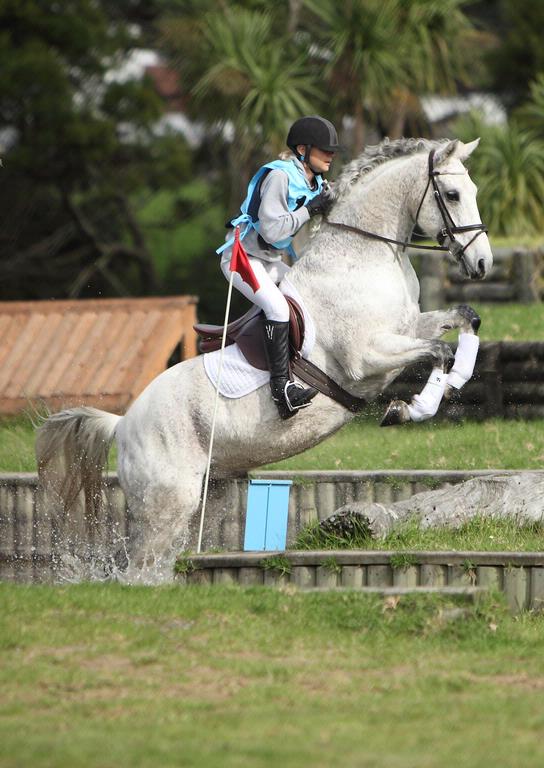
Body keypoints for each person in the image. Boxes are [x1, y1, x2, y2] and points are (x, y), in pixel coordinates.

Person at [217, 115, 339, 419]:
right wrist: (309, 211)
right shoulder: (280, 176)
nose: (331, 155)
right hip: (242, 260)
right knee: (278, 309)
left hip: (268, 262)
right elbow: (273, 232)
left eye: (332, 150)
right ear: (302, 149)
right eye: (324, 149)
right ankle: (281, 390)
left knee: (307, 293)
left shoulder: (316, 181)